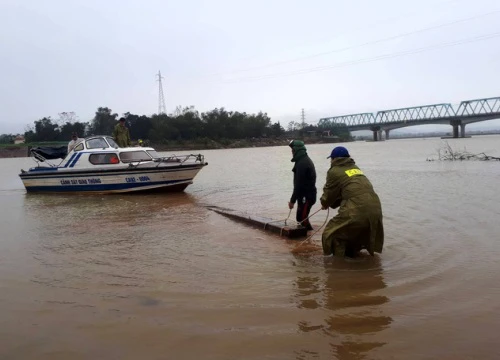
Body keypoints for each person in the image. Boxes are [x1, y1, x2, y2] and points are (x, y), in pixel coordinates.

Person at [320, 146, 384, 258]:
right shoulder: (356, 168)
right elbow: (350, 190)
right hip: (376, 208)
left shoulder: (334, 171)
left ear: (334, 159)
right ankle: (358, 261)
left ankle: (339, 265)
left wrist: (324, 203)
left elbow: (329, 194)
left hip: (357, 209)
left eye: (331, 159)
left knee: (332, 233)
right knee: (353, 233)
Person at [288, 140, 317, 231]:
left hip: (307, 196)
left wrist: (292, 201)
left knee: (302, 219)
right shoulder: (302, 160)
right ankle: (308, 238)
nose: (291, 152)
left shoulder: (303, 163)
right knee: (300, 218)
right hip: (303, 195)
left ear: (297, 150)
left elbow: (298, 185)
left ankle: (309, 241)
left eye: (293, 150)